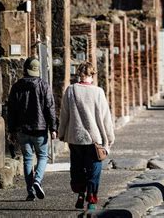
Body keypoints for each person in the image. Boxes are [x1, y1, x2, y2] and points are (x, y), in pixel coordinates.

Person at [58, 62, 115, 210]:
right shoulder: (98, 92)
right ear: (92, 75)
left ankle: (80, 194)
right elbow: (105, 117)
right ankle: (91, 197)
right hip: (94, 139)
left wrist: (62, 132)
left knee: (77, 167)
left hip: (75, 137)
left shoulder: (70, 90)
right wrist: (109, 137)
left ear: (79, 74)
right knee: (94, 168)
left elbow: (64, 114)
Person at [7, 57, 57, 201]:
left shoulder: (16, 86)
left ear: (25, 69)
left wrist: (11, 130)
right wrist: (53, 127)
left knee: (28, 159)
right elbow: (50, 108)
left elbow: (11, 110)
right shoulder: (44, 85)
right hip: (40, 129)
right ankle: (37, 180)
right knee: (42, 156)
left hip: (22, 130)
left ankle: (30, 191)